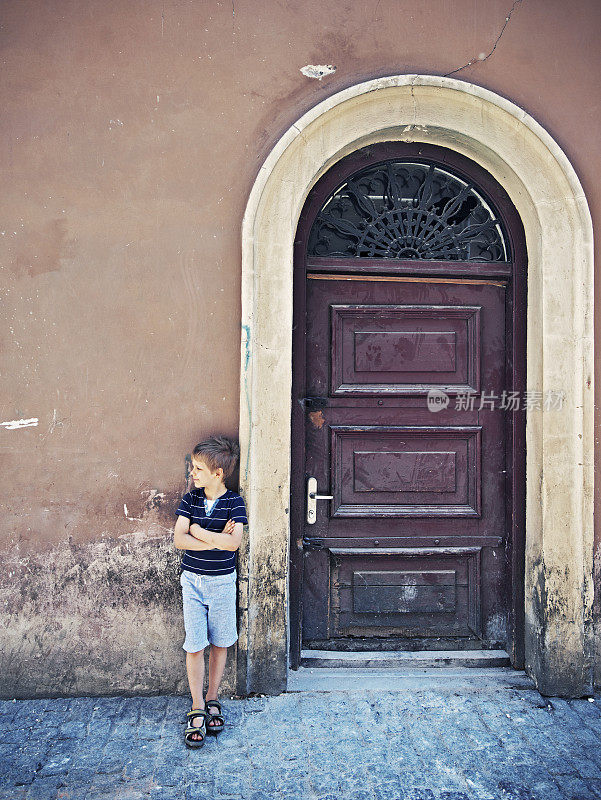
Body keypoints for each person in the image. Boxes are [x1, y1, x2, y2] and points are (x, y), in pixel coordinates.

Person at [173, 435, 247, 748]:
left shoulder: (234, 503)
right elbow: (179, 540)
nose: (193, 473)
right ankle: (197, 705)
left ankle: (213, 696)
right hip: (192, 581)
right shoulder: (190, 500)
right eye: (193, 467)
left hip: (221, 583)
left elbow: (234, 545)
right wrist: (214, 536)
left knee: (220, 641)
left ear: (217, 474)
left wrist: (198, 531)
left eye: (199, 469)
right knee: (195, 644)